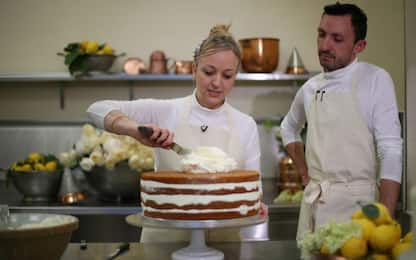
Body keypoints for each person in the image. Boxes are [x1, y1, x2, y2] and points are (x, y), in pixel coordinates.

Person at [87, 24, 268, 242]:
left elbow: (253, 195)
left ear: (235, 77)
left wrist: (256, 219)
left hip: (225, 244)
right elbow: (96, 109)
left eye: (227, 75)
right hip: (164, 241)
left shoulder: (245, 125)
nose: (217, 83)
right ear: (194, 69)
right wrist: (135, 130)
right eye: (208, 72)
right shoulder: (166, 111)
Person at [280, 2, 402, 241]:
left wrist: (385, 218)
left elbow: (390, 150)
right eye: (322, 34)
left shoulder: (376, 79)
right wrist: (305, 173)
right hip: (314, 204)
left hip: (358, 209)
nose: (325, 45)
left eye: (337, 38)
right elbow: (288, 128)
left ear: (359, 46)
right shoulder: (309, 88)